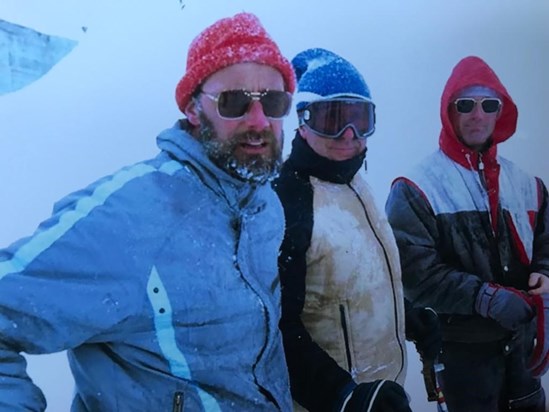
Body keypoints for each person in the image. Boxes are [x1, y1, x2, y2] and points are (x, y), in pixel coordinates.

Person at [0, 12, 296, 411]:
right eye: (235, 101)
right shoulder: (132, 216)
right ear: (194, 110)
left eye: (274, 102)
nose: (258, 120)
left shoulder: (263, 206)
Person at [274, 48, 438, 412]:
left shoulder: (356, 184)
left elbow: (351, 282)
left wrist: (407, 316)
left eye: (359, 119)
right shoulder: (289, 200)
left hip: (382, 396)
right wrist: (341, 396)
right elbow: (276, 327)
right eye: (332, 118)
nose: (348, 135)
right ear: (302, 120)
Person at [385, 55, 549, 411]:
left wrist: (544, 272)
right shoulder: (416, 188)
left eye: (488, 104)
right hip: (462, 357)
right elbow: (415, 275)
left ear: (500, 112)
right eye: (466, 104)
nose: (477, 114)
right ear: (449, 111)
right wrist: (484, 298)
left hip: (523, 350)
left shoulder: (527, 184)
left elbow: (546, 244)